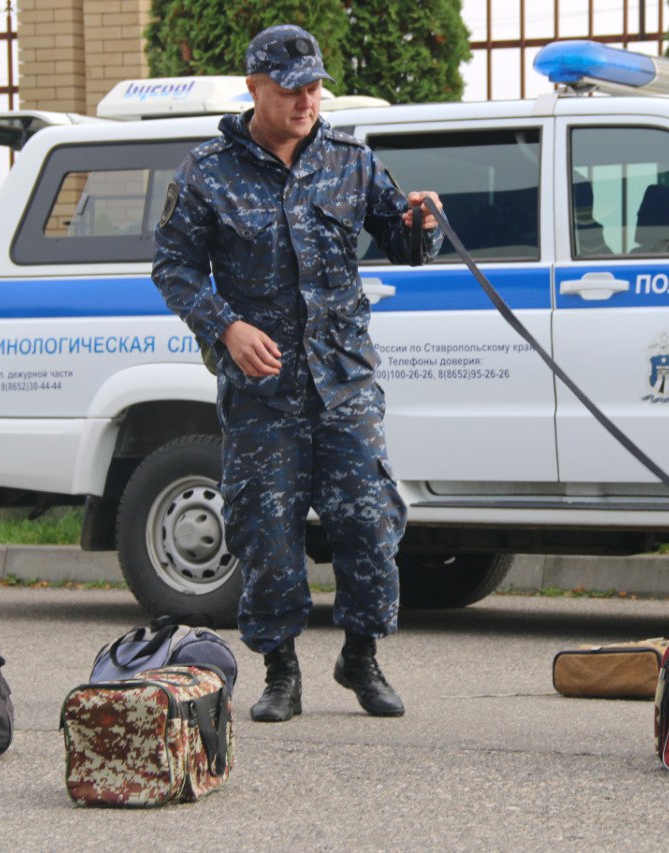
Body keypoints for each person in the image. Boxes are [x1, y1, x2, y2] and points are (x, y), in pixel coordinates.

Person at [151, 24, 443, 723]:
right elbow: (174, 267)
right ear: (255, 88)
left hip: (344, 381)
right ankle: (280, 671)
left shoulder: (350, 160)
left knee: (371, 522)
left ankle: (362, 656)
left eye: (314, 86)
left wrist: (423, 222)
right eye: (291, 90)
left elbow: (404, 244)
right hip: (263, 393)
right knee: (266, 531)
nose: (307, 100)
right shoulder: (207, 171)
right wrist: (226, 325)